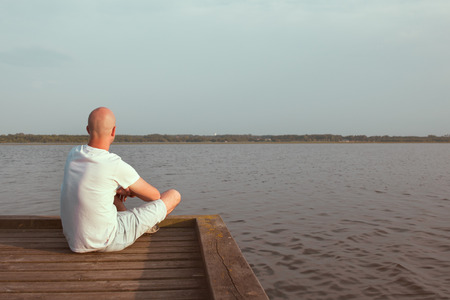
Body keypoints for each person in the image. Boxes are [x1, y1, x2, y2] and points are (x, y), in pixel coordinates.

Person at [60, 107, 181, 253]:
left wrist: (121, 190)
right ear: (113, 131)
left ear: (88, 129)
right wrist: (132, 192)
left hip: (74, 242)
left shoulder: (73, 154)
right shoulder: (114, 164)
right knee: (173, 195)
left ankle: (135, 222)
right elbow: (155, 196)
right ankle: (142, 227)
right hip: (107, 241)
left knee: (110, 192)